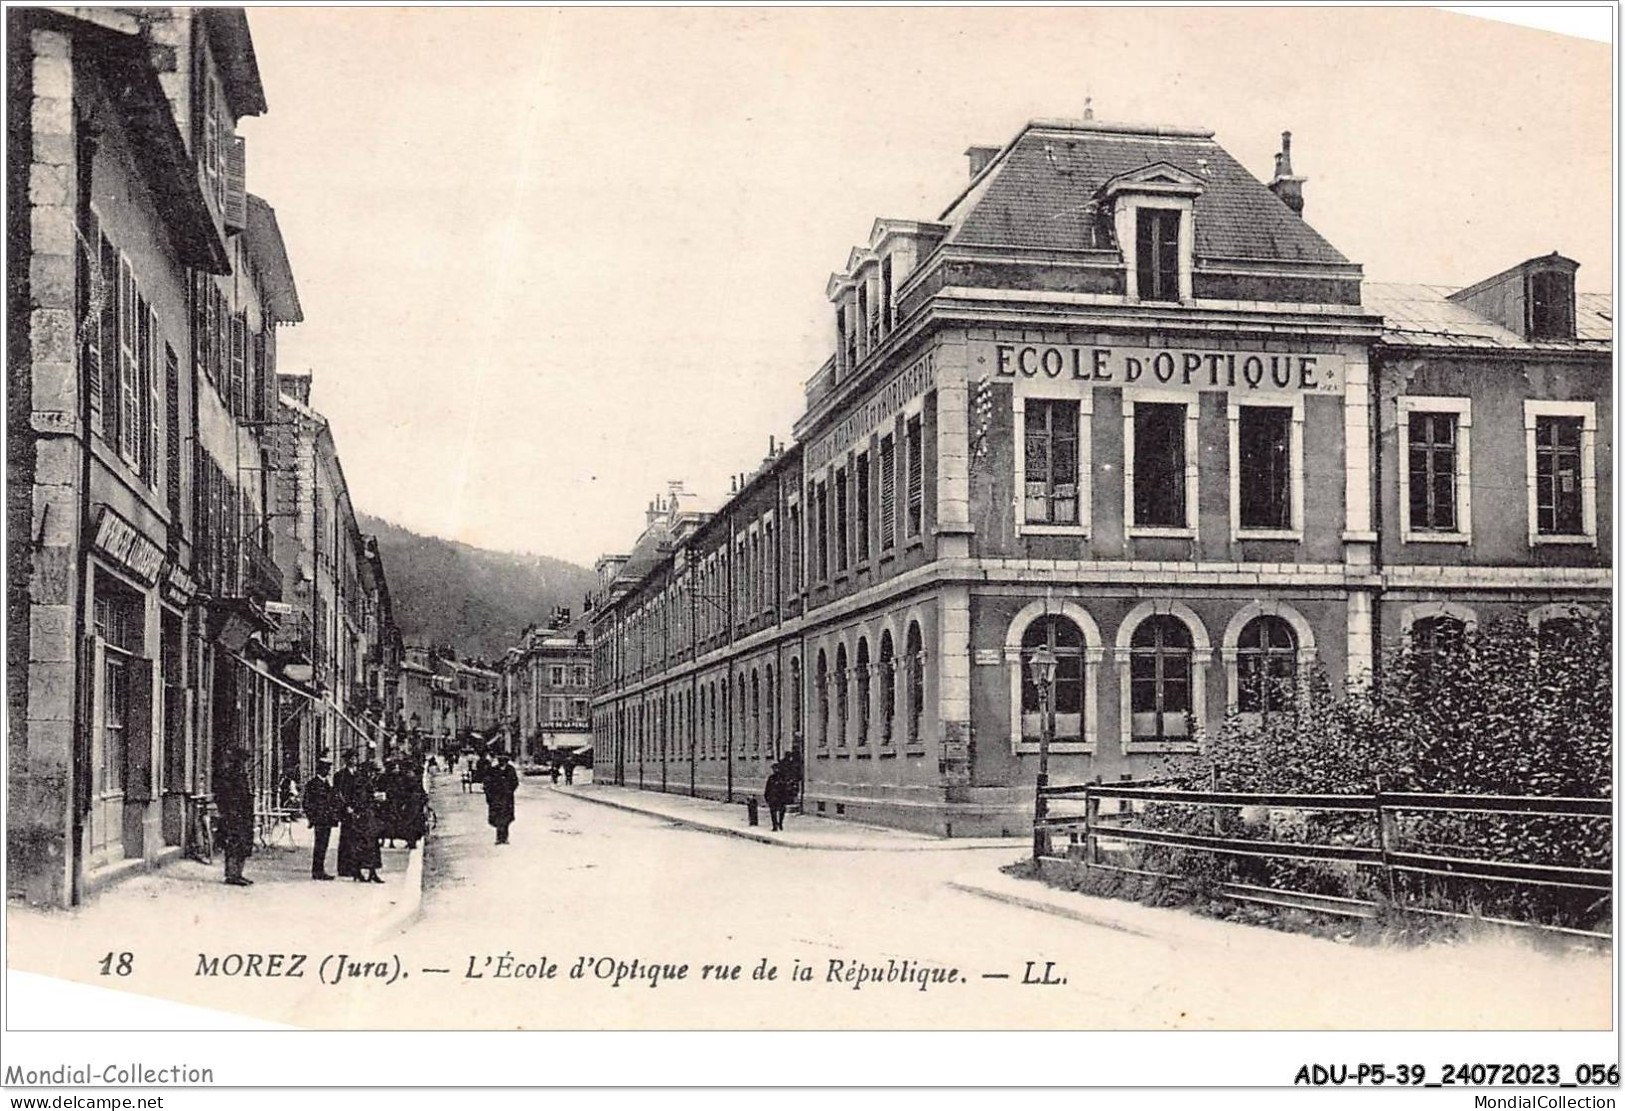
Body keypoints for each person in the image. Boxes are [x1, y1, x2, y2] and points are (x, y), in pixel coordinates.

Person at [215, 748, 255, 887]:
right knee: (234, 844)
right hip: (234, 815)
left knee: (243, 844)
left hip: (243, 815)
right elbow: (224, 795)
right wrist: (230, 811)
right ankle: (232, 874)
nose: (245, 764)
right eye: (244, 761)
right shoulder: (230, 775)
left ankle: (238, 873)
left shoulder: (241, 775)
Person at [347, 761, 385, 883]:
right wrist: (375, 798)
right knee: (366, 845)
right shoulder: (362, 783)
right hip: (364, 818)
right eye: (374, 772)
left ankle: (366, 872)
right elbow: (361, 800)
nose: (374, 775)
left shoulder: (363, 782)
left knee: (368, 845)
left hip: (367, 817)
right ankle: (363, 872)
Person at [303, 758, 341, 880]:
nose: (328, 770)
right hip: (320, 820)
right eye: (326, 768)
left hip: (327, 820)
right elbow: (307, 803)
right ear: (321, 769)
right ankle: (317, 871)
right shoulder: (312, 784)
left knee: (323, 845)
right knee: (319, 845)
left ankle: (319, 870)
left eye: (328, 768)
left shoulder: (327, 784)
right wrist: (311, 818)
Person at [334, 750, 363, 879]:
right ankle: (343, 868)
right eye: (351, 758)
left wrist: (358, 807)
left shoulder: (359, 775)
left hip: (357, 810)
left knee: (356, 839)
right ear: (347, 760)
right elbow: (339, 793)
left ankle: (354, 867)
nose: (354, 760)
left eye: (355, 757)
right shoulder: (340, 775)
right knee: (346, 839)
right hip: (347, 811)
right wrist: (346, 807)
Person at [484, 751, 519, 845]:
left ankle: (505, 837)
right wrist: (490, 795)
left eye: (504, 760)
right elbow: (487, 783)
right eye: (501, 760)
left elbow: (515, 782)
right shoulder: (493, 770)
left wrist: (509, 790)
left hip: (507, 798)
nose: (502, 762)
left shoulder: (511, 770)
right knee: (498, 817)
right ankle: (499, 838)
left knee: (506, 818)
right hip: (496, 797)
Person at [763, 760, 792, 832]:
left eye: (776, 768)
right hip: (773, 797)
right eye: (774, 769)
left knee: (782, 811)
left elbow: (785, 788)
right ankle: (774, 825)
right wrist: (766, 796)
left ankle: (780, 823)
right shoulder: (771, 778)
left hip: (781, 797)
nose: (775, 770)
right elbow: (768, 788)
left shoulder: (782, 778)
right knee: (773, 812)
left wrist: (786, 797)